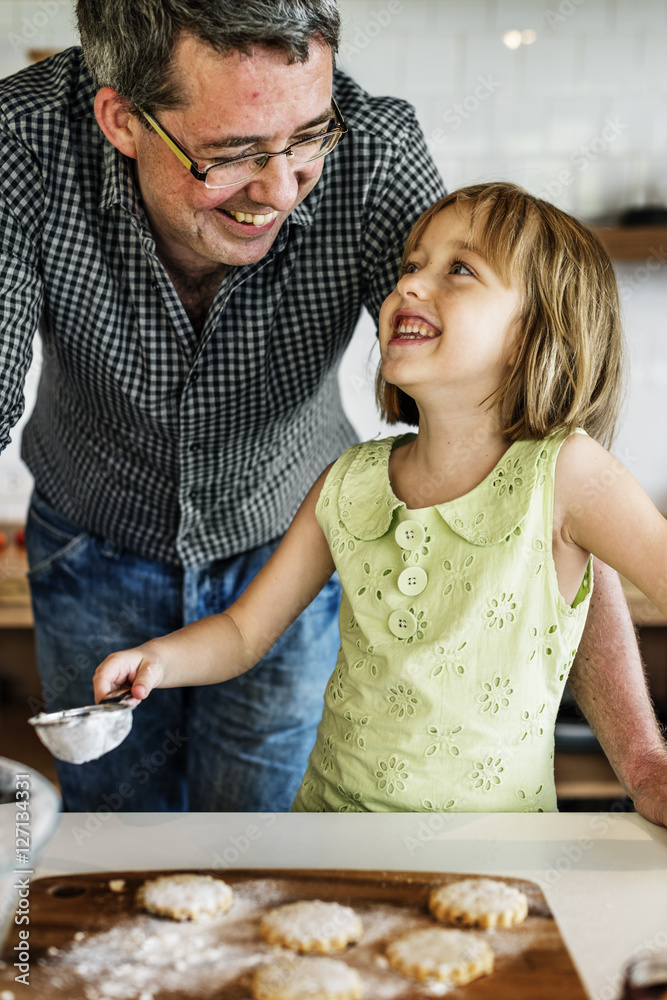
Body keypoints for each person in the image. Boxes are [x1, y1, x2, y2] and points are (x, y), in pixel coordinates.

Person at [94, 182, 667, 821]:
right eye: (411, 265)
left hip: (500, 860)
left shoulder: (568, 474)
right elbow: (242, 632)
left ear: (537, 332)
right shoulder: (348, 480)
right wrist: (157, 659)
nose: (410, 287)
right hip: (331, 835)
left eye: (460, 269)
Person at [0, 1, 449, 811]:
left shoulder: (376, 148)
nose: (279, 190)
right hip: (91, 551)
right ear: (122, 119)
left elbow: (477, 390)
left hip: (290, 558)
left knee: (263, 843)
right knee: (110, 845)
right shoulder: (21, 143)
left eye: (309, 136)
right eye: (234, 154)